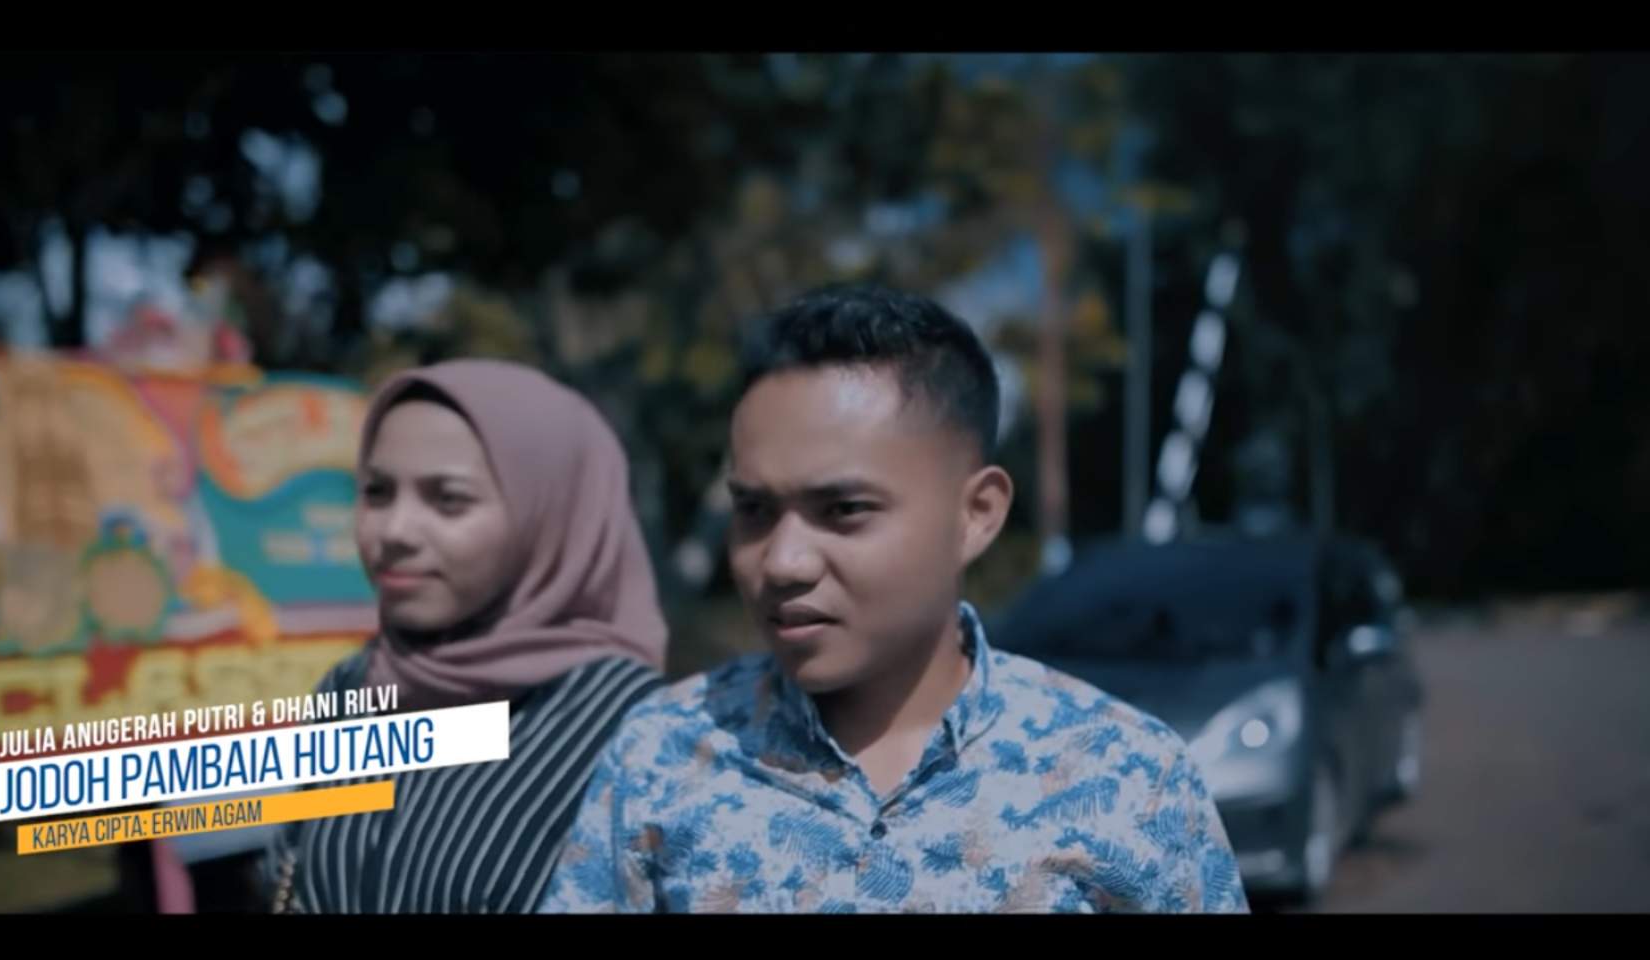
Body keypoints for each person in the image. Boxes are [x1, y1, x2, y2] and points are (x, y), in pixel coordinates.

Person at [539, 285, 1248, 913]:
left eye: (844, 509)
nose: (781, 562)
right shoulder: (663, 751)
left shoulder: (1126, 774)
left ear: (976, 514)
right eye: (754, 510)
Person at [264, 360, 668, 913]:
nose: (395, 531)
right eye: (377, 492)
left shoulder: (636, 732)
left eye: (448, 499)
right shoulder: (354, 686)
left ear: (548, 513)